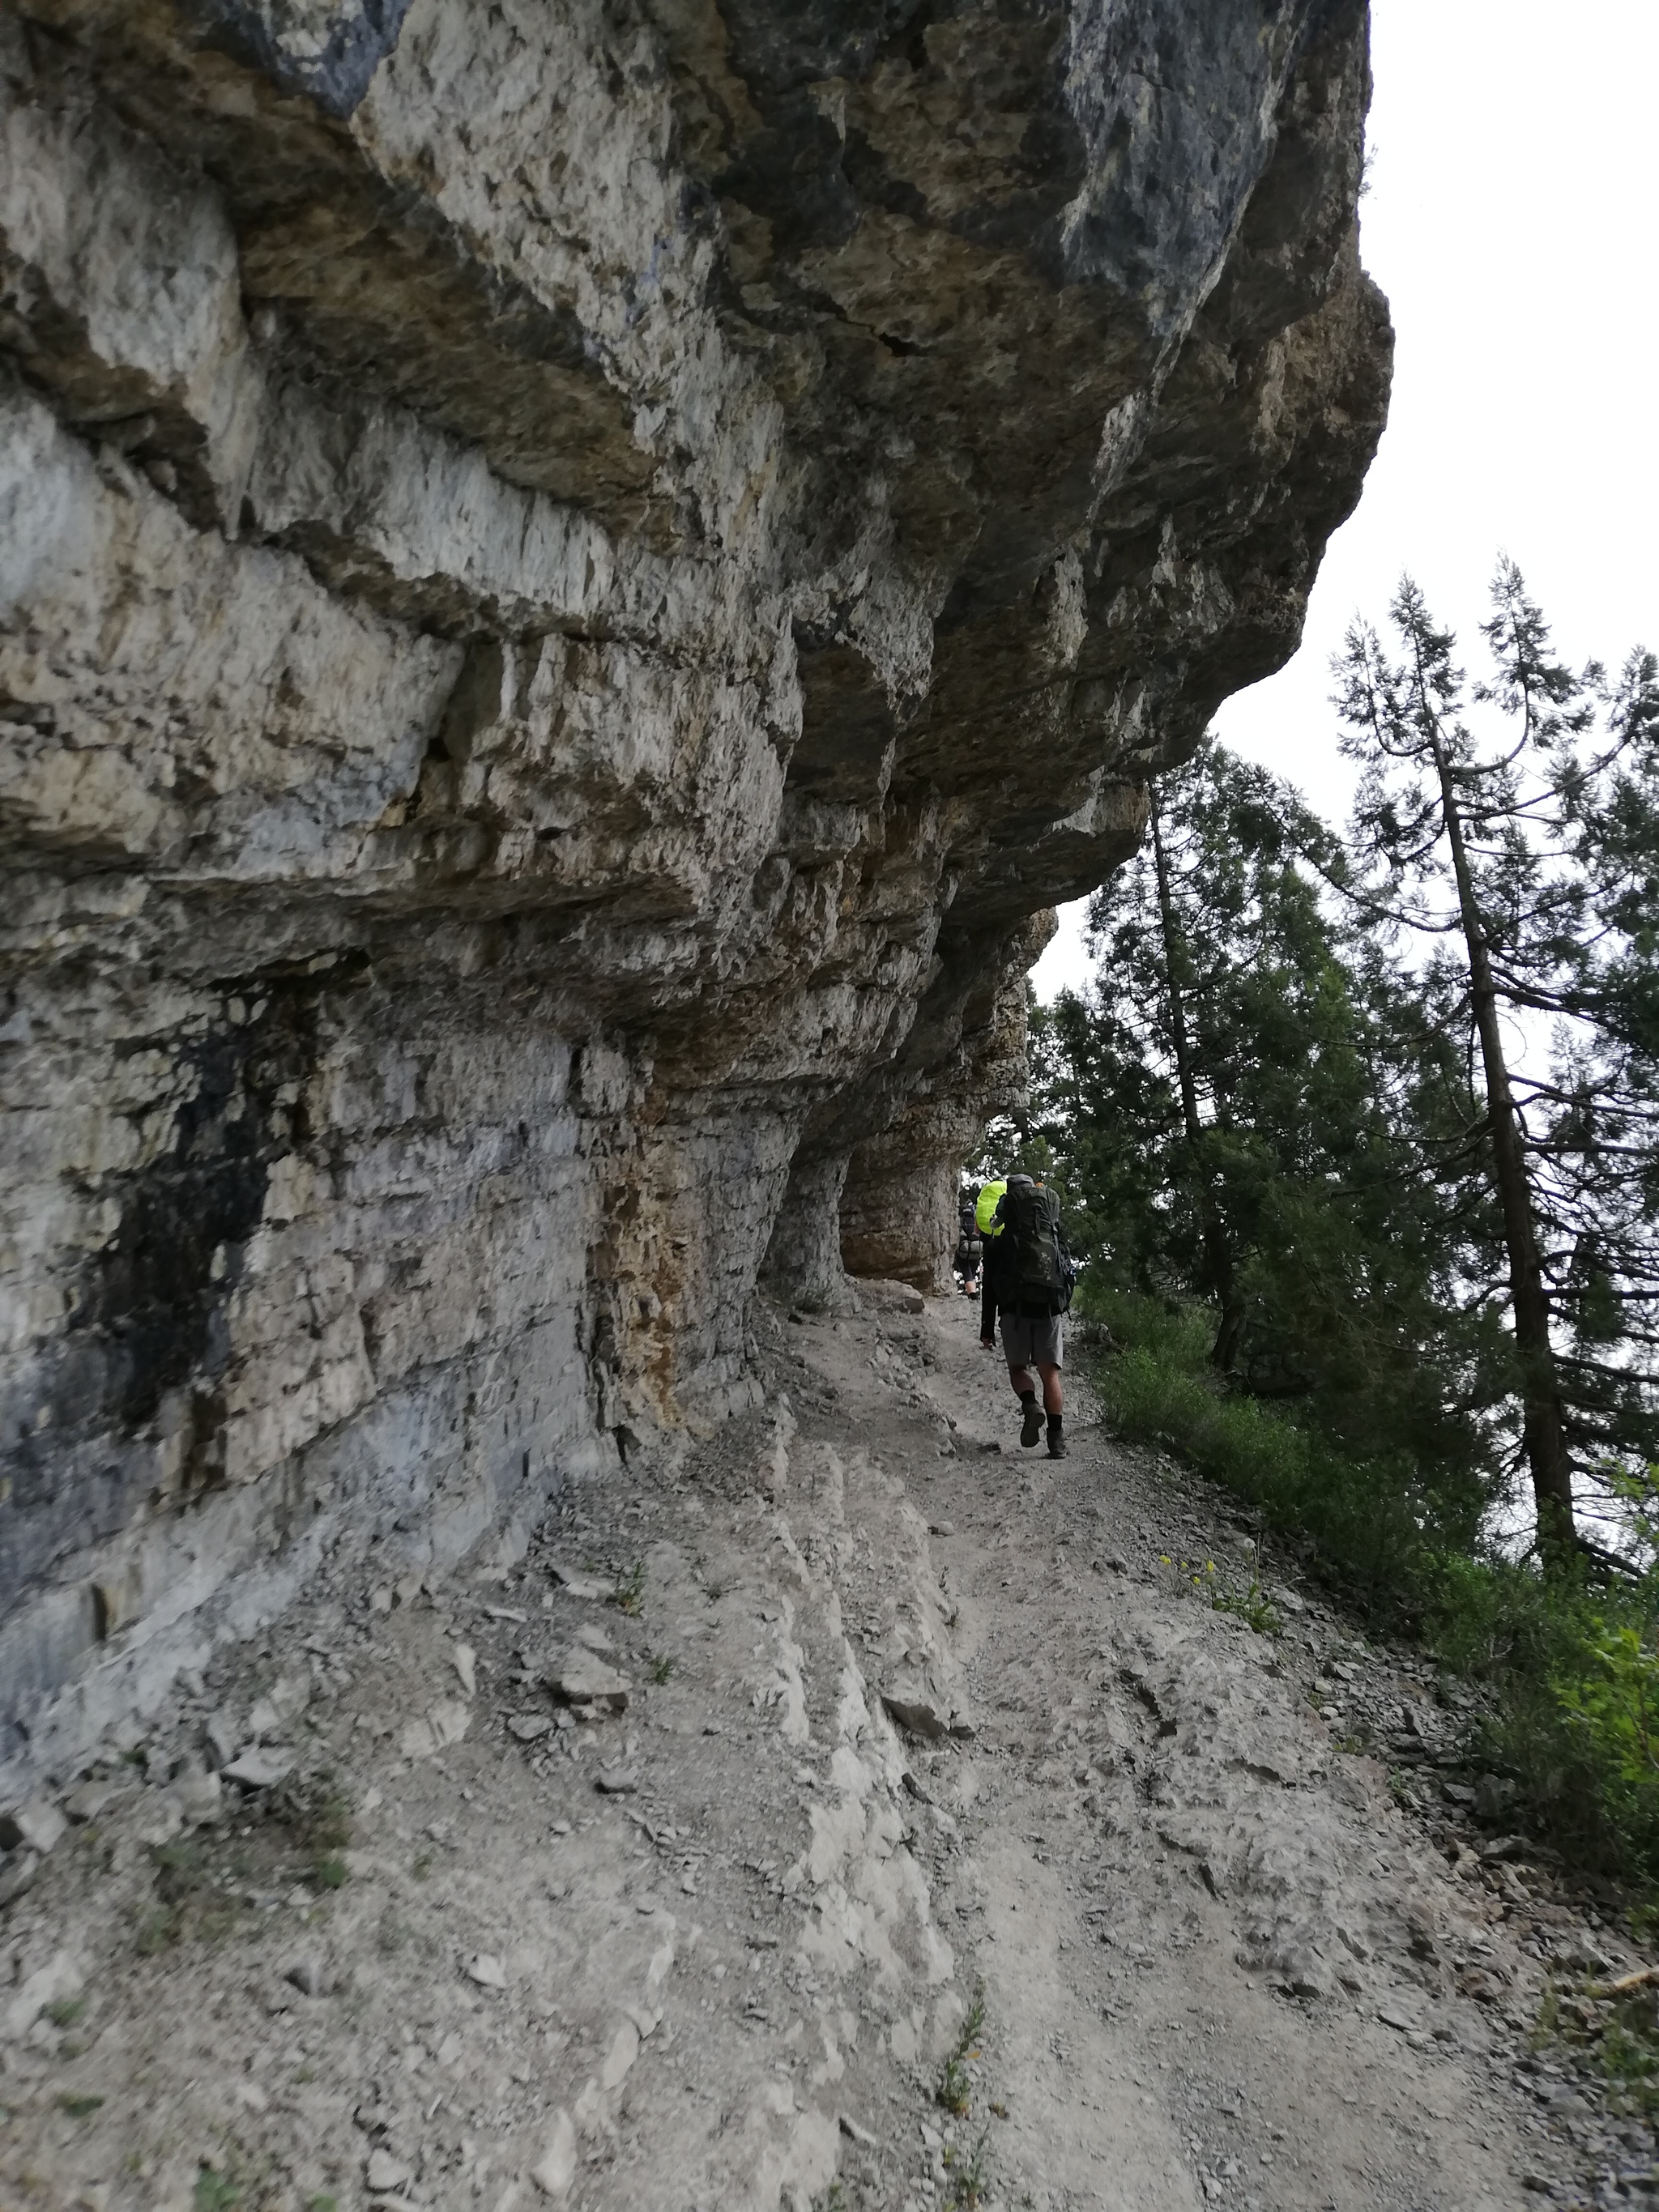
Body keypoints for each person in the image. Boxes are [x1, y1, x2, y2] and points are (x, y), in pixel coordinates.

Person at [981, 1170, 1071, 1458]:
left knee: (1019, 1369)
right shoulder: (1053, 1233)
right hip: (1049, 1307)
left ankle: (1030, 1406)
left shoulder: (998, 1243)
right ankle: (1056, 1442)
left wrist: (986, 1328)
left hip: (1014, 1311)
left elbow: (990, 1288)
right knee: (1050, 1374)